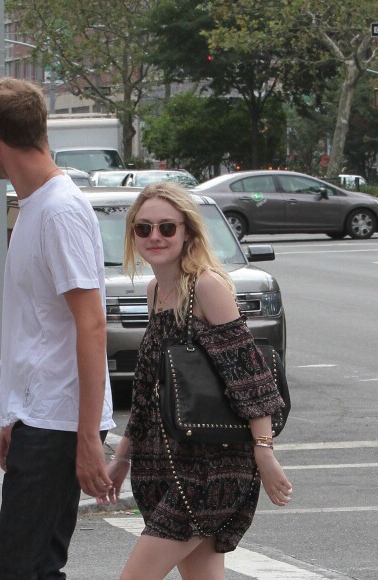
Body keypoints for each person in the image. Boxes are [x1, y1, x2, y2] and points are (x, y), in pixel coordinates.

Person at [0, 72, 115, 579]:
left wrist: (88, 437)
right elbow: (38, 329)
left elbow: (91, 325)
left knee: (16, 569)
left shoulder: (59, 211)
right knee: (35, 568)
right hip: (40, 418)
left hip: (59, 423)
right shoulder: (35, 208)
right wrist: (13, 413)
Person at [103, 183, 292, 580]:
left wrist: (264, 449)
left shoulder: (206, 286)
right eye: (144, 229)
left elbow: (251, 375)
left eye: (167, 228)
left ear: (187, 231)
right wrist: (123, 456)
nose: (155, 237)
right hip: (166, 461)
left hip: (210, 467)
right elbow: (147, 392)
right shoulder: (156, 291)